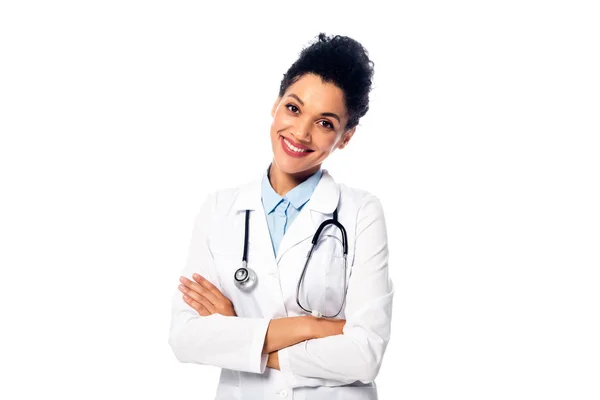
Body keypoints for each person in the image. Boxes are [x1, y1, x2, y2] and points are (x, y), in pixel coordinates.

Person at [168, 32, 394, 400]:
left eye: (325, 123)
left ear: (346, 137)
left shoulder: (362, 213)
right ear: (276, 105)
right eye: (293, 108)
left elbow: (363, 356)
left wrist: (238, 335)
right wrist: (311, 327)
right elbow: (186, 338)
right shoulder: (218, 210)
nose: (301, 132)